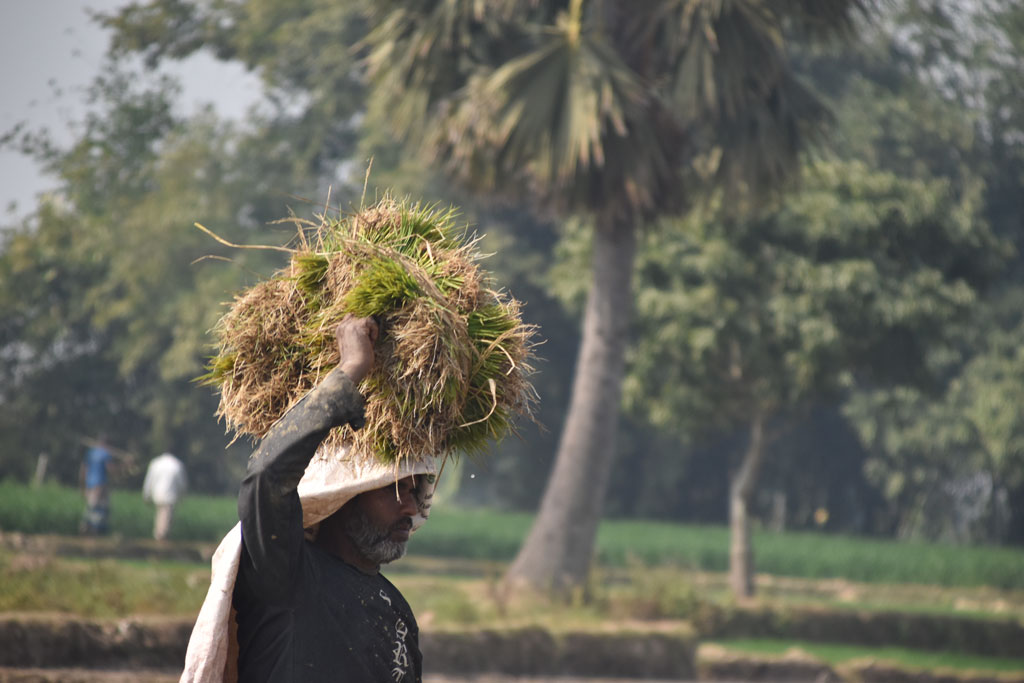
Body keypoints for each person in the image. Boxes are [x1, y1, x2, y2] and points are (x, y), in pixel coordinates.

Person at [180, 315, 436, 683]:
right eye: (395, 491)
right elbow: (268, 476)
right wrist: (350, 371)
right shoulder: (286, 574)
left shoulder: (396, 611)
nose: (411, 509)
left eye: (415, 493)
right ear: (346, 496)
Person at [142, 452, 188, 541]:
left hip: (157, 494)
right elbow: (182, 483)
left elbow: (149, 480)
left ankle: (159, 536)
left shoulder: (156, 463)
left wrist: (146, 494)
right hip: (170, 495)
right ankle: (161, 538)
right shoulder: (176, 464)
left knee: (161, 516)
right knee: (166, 518)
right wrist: (182, 495)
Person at [79, 435, 114, 535]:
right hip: (100, 485)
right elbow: (111, 470)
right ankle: (94, 531)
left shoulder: (90, 453)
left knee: (91, 507)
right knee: (99, 509)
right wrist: (125, 466)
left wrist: (82, 487)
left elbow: (83, 470)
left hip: (89, 485)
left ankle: (87, 528)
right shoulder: (105, 454)